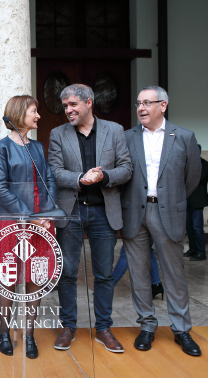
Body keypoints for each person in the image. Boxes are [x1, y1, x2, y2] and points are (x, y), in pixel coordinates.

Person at [48, 84, 132, 353]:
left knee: (104, 274)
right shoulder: (58, 134)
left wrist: (104, 176)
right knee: (67, 272)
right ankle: (68, 326)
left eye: (73, 105)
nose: (68, 110)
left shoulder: (115, 130)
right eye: (65, 107)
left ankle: (104, 328)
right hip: (71, 210)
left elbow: (126, 168)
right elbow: (54, 171)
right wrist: (79, 179)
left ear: (88, 103)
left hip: (104, 212)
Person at [121, 85, 202, 356]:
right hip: (134, 212)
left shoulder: (184, 136)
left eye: (147, 103)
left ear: (163, 106)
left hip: (168, 212)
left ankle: (181, 330)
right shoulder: (128, 136)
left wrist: (174, 200)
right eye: (138, 103)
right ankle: (146, 325)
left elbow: (191, 178)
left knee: (174, 274)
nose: (141, 108)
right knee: (140, 274)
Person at [0, 95, 56, 359]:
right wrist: (29, 215)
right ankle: (4, 332)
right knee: (8, 279)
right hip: (12, 221)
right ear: (20, 114)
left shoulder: (38, 146)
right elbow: (1, 188)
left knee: (35, 279)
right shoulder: (1, 147)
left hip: (42, 222)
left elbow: (49, 179)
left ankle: (29, 336)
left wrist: (48, 212)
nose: (38, 115)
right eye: (34, 111)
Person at [184, 144, 208, 261]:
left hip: (198, 201)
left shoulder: (204, 164)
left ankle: (201, 252)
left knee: (197, 227)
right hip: (187, 200)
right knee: (189, 226)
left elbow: (199, 179)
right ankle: (192, 249)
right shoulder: (186, 164)